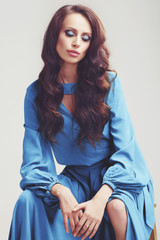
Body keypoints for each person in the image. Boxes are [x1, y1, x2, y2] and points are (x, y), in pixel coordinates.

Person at [9, 4, 155, 240]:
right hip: (75, 179)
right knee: (28, 201)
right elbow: (33, 163)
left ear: (91, 45)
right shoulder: (36, 94)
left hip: (120, 178)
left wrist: (101, 199)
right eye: (70, 33)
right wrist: (61, 190)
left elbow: (127, 152)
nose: (77, 43)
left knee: (115, 207)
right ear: (54, 35)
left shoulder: (109, 84)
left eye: (85, 38)